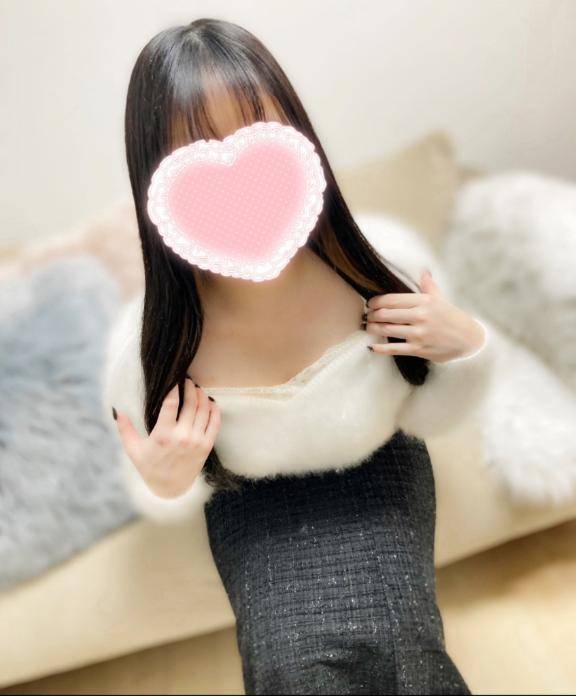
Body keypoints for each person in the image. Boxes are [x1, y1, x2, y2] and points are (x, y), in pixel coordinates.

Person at [103, 17, 494, 695]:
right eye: (198, 153)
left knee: (401, 641)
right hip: (250, 505)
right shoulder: (150, 344)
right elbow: (160, 477)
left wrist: (467, 347)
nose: (236, 179)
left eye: (257, 137)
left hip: (379, 471)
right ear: (157, 182)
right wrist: (166, 480)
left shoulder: (384, 264)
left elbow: (433, 412)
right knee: (292, 665)